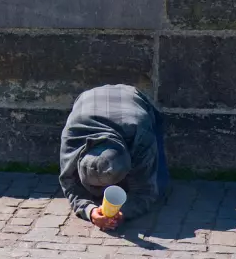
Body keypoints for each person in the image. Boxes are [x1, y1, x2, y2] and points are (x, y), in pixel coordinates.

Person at [59, 84, 170, 230]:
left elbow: (146, 191)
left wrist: (123, 212)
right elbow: (70, 185)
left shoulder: (140, 136)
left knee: (158, 182)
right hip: (88, 99)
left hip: (133, 99)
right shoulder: (72, 137)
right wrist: (90, 211)